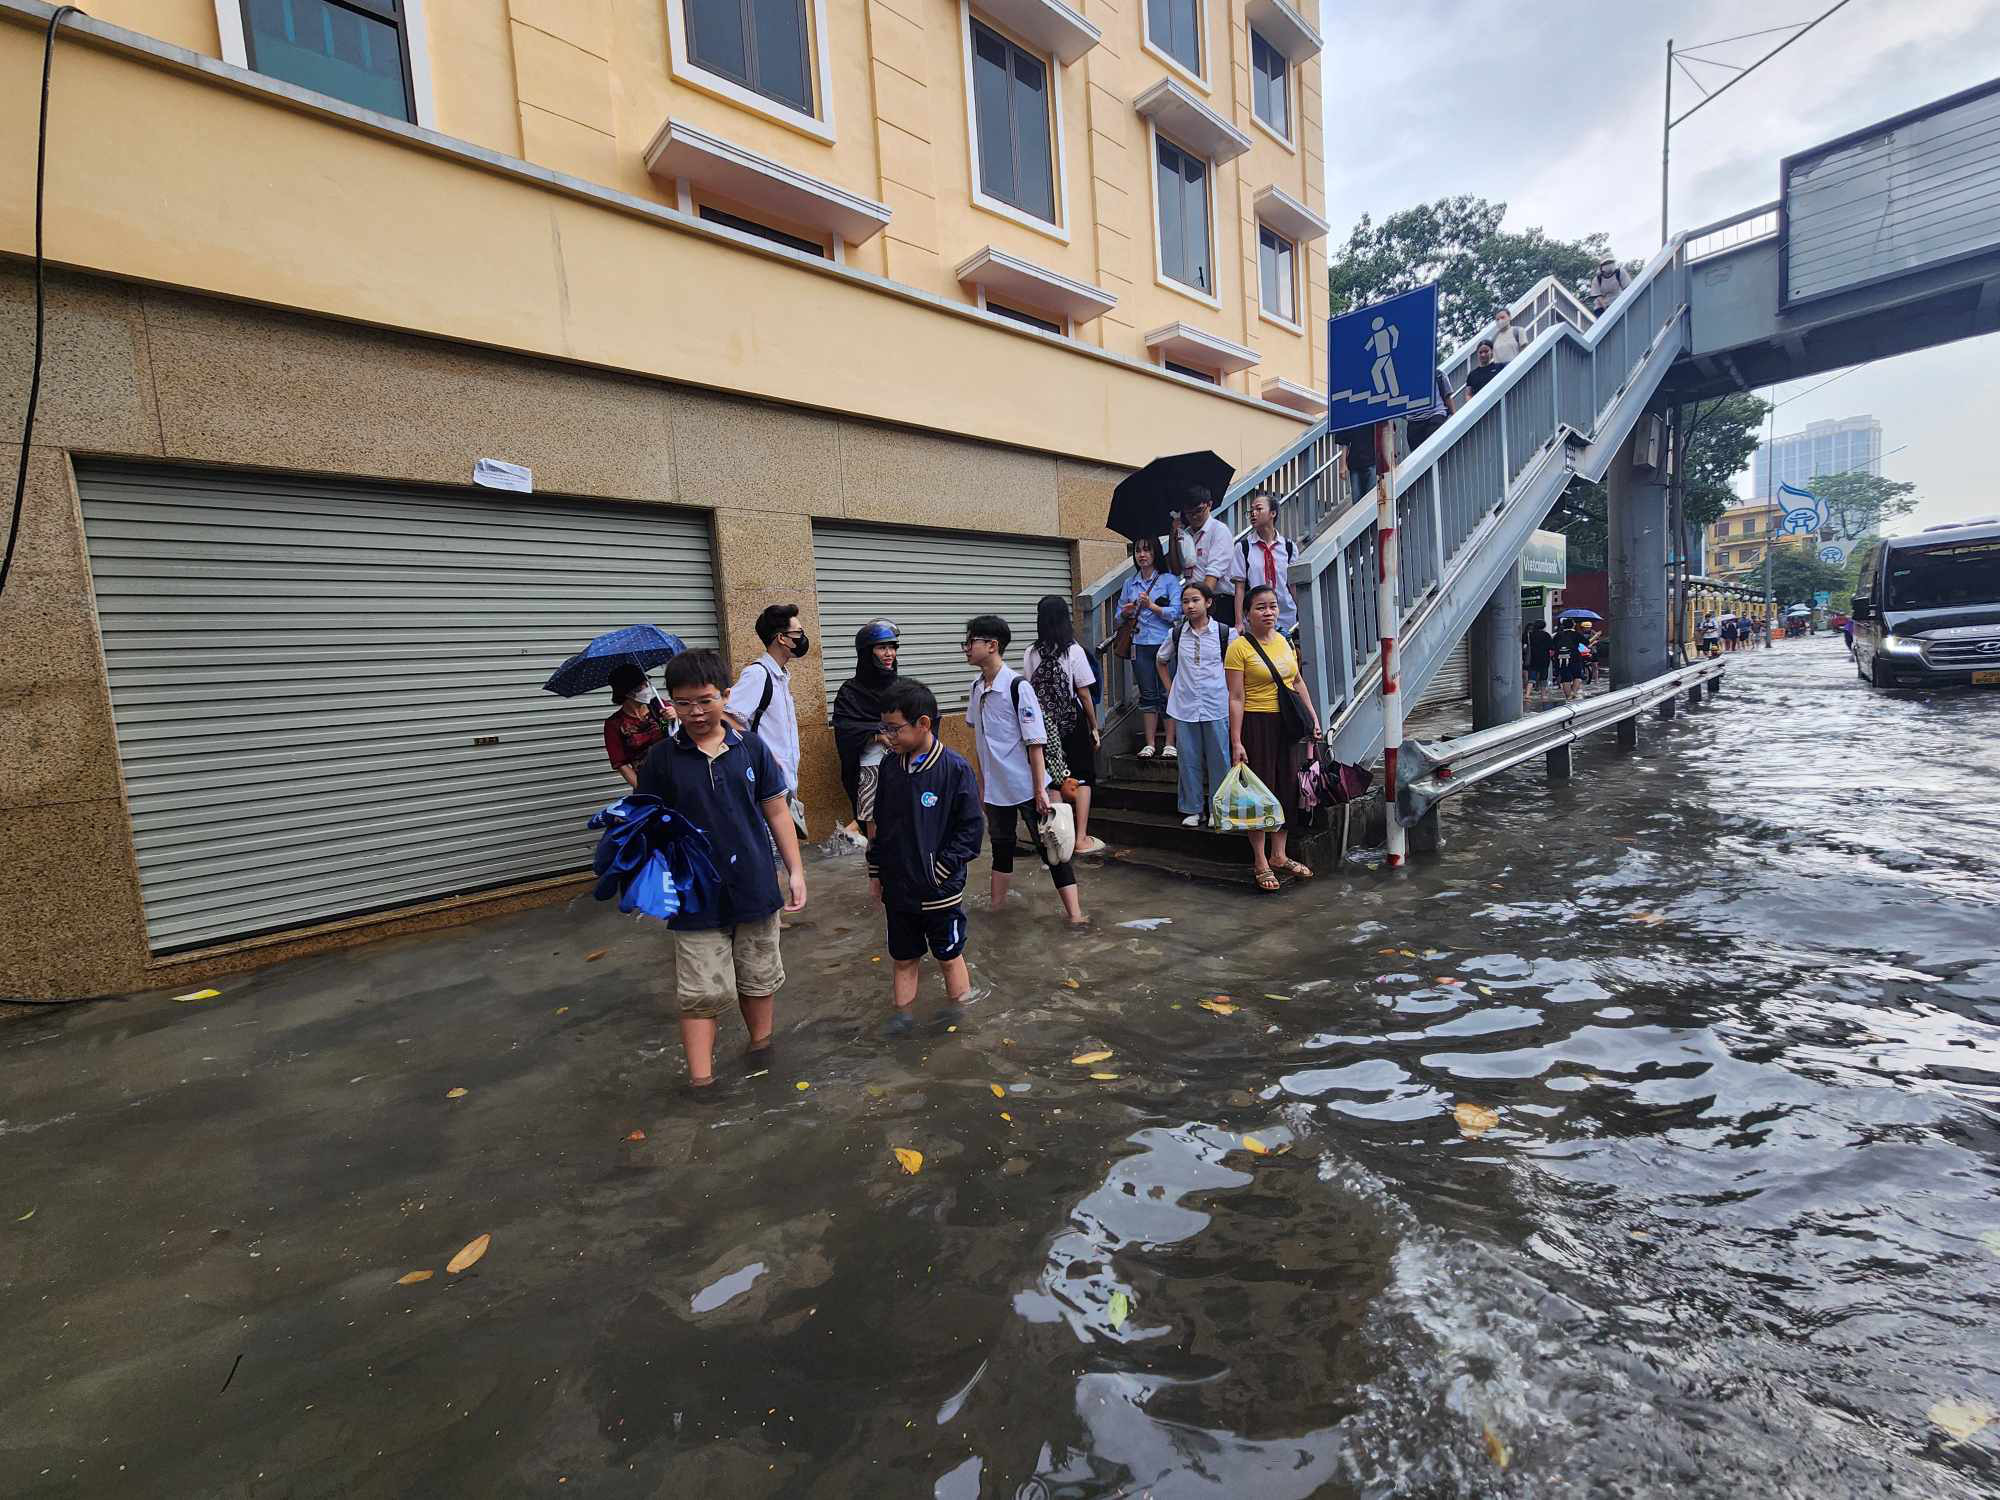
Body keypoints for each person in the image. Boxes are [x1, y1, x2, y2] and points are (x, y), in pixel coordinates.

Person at [635, 649, 806, 1094]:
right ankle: (701, 1082)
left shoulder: (750, 748)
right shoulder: (661, 760)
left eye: (705, 700)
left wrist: (795, 871)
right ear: (669, 701)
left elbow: (777, 811)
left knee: (759, 975)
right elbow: (648, 825)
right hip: (694, 894)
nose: (695, 712)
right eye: (683, 702)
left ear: (726, 696)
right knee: (699, 991)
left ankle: (761, 1051)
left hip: (753, 883)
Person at [867, 678, 986, 1039]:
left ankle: (960, 1017)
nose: (888, 736)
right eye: (884, 727)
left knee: (949, 956)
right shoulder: (890, 767)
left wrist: (942, 868)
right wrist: (876, 872)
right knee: (903, 958)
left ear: (923, 724)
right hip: (898, 887)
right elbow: (880, 822)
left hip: (939, 891)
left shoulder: (954, 768)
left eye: (894, 728)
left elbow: (971, 829)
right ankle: (902, 1019)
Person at [963, 615, 1086, 927]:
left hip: (1028, 787)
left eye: (970, 642)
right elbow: (981, 743)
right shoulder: (977, 688)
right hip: (996, 789)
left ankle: (1075, 916)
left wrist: (1040, 791)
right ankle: (997, 910)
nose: (965, 648)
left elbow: (1035, 744)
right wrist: (982, 784)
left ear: (991, 646)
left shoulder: (1018, 687)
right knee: (1001, 849)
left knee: (1053, 849)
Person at [1226, 584, 1321, 892]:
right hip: (1257, 724)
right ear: (1247, 613)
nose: (1268, 612)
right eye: (1260, 607)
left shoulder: (1284, 641)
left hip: (1288, 726)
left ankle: (1279, 855)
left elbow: (1296, 682)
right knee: (1259, 790)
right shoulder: (1238, 647)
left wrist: (1313, 718)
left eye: (1273, 606)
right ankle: (1260, 860)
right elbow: (1236, 697)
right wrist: (1237, 740)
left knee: (1288, 787)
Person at [1022, 594, 1104, 856]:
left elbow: (1028, 690)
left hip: (1044, 727)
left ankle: (1058, 841)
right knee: (1083, 777)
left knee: (1054, 781)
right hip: (1072, 723)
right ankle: (1080, 839)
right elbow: (1083, 693)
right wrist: (1093, 725)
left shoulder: (1031, 652)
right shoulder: (1073, 650)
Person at [726, 604, 809, 830]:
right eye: (798, 633)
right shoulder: (757, 674)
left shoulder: (780, 675)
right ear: (781, 638)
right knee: (774, 853)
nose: (802, 638)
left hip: (784, 781)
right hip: (767, 782)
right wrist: (762, 755)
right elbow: (727, 716)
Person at [1160, 580, 1232, 828]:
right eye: (1185, 601)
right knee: (1188, 759)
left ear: (1208, 602)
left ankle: (1217, 809)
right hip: (1185, 706)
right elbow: (1161, 661)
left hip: (1217, 704)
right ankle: (1192, 808)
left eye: (1195, 600)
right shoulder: (1176, 634)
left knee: (1220, 759)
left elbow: (1235, 669)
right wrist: (1171, 690)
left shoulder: (1225, 633)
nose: (1189, 606)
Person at [831, 619, 900, 839]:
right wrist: (878, 735)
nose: (889, 653)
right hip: (870, 770)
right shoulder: (849, 692)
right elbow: (845, 728)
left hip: (901, 767)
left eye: (892, 647)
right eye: (882, 648)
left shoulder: (902, 688)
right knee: (875, 833)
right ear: (866, 653)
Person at [1116, 535, 1181, 759]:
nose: (1142, 555)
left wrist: (1152, 606)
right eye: (1137, 551)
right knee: (1147, 694)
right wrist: (1125, 612)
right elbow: (1118, 615)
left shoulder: (1168, 580)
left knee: (1167, 692)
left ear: (1155, 554)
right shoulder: (1129, 583)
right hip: (1139, 642)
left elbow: (1176, 612)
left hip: (1164, 643)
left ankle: (1170, 742)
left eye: (1146, 550)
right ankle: (1150, 743)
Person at [1234, 491, 1298, 638]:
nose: (1253, 514)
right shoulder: (1244, 547)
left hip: (1286, 616)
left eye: (1258, 509)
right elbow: (1240, 588)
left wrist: (1302, 611)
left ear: (1273, 513)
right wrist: (1239, 622)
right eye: (1251, 511)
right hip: (1256, 618)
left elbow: (1293, 585)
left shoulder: (1288, 547)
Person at [603, 663, 677, 789]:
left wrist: (676, 717)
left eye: (647, 684)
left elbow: (683, 735)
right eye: (640, 687)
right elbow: (621, 764)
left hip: (676, 773)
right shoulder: (614, 724)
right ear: (627, 692)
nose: (646, 689)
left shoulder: (660, 706)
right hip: (648, 781)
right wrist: (642, 789)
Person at [1173, 487, 1240, 625]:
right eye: (1189, 513)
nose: (1194, 516)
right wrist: (1173, 535)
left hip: (1217, 601)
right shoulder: (1185, 534)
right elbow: (1176, 570)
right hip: (1195, 601)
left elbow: (1213, 574)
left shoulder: (1219, 531)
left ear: (1209, 505)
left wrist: (1200, 605)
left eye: (1198, 510)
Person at [1404, 370, 1457, 452]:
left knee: (1433, 449)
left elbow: (1447, 397)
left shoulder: (1439, 374)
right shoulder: (1405, 376)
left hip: (1436, 415)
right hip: (1414, 421)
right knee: (1417, 456)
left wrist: (1454, 416)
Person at [1550, 617, 1586, 702]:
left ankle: (1568, 697)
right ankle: (1573, 693)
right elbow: (1586, 643)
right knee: (1577, 676)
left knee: (1565, 678)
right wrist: (1595, 637)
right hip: (1574, 657)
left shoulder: (1558, 635)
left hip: (1561, 658)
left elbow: (1552, 647)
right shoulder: (1576, 634)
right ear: (1573, 625)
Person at [1524, 620, 1553, 704]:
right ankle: (1543, 695)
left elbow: (1525, 646)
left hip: (1533, 659)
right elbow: (1551, 647)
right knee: (1543, 677)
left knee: (1531, 678)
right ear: (1543, 626)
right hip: (1544, 659)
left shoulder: (1530, 635)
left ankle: (1527, 694)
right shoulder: (1546, 635)